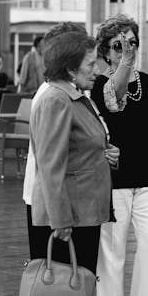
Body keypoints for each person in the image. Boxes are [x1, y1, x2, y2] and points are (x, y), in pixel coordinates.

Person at [90, 14, 148, 296]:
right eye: (118, 45)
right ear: (105, 51)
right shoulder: (98, 85)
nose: (128, 50)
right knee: (112, 252)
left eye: (132, 43)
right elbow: (114, 100)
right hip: (115, 181)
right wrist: (125, 64)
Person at [23, 22, 120, 260]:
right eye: (90, 64)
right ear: (70, 69)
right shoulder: (56, 100)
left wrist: (106, 153)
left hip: (83, 213)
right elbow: (50, 166)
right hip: (70, 220)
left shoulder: (73, 96)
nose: (97, 70)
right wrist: (60, 220)